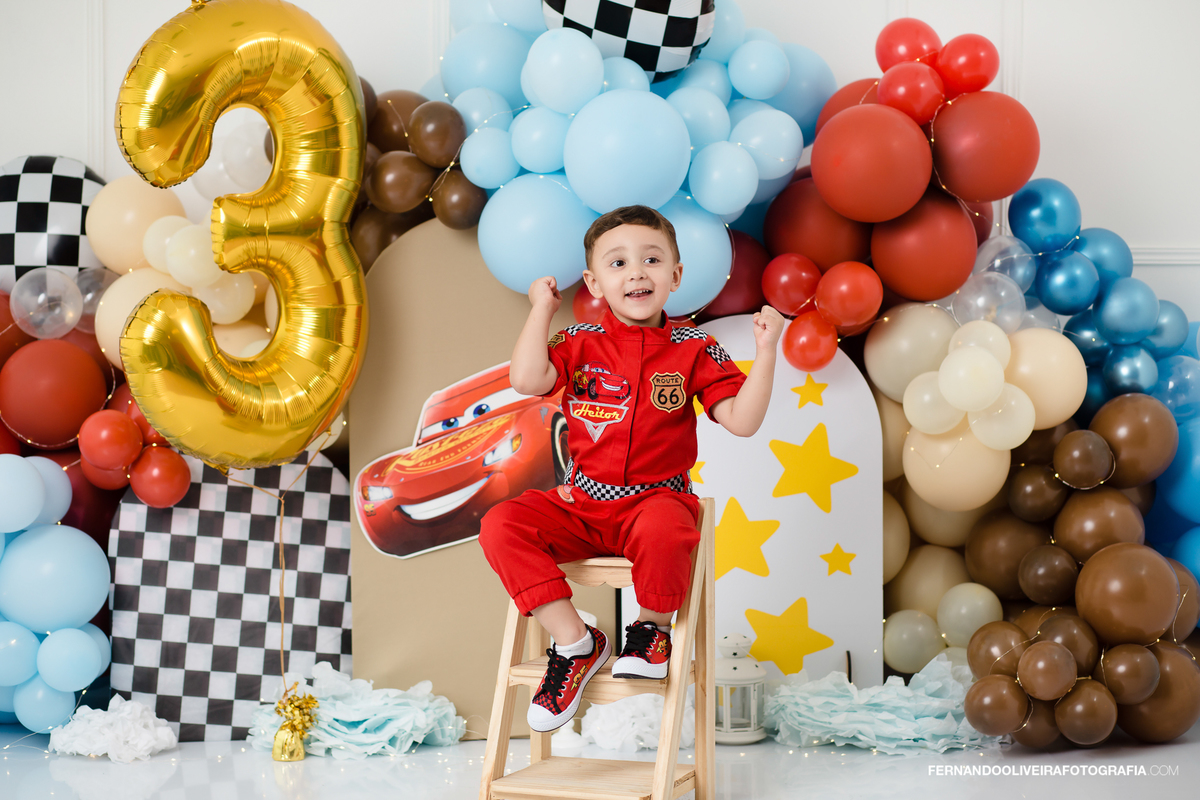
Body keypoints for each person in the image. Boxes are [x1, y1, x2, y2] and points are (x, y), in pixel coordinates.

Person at [479, 205, 785, 733]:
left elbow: (742, 421)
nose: (637, 272)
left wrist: (766, 350)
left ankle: (651, 629)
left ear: (676, 275)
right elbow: (528, 379)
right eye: (618, 264)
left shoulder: (694, 347)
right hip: (582, 505)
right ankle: (576, 642)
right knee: (500, 524)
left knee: (671, 526)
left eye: (651, 259)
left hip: (653, 503)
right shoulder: (578, 341)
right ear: (596, 282)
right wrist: (539, 310)